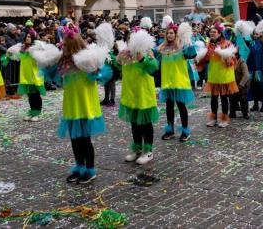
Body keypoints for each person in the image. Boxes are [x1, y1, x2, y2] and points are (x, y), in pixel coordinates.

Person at [42, 24, 111, 184]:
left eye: (65, 43)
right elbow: (52, 75)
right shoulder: (63, 62)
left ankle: (90, 169)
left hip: (86, 104)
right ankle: (79, 167)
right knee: (75, 139)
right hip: (71, 104)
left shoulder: (87, 59)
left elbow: (100, 76)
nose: (62, 46)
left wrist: (95, 71)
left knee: (85, 140)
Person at [117, 29, 159, 165]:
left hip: (144, 95)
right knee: (134, 123)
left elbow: (154, 68)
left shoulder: (147, 52)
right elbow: (117, 67)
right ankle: (137, 149)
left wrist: (144, 59)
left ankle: (148, 151)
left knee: (145, 124)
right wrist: (114, 58)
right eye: (129, 38)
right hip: (131, 94)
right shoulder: (125, 54)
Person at [158, 22, 197, 142]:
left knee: (181, 106)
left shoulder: (182, 47)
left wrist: (188, 42)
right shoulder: (162, 48)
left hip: (179, 82)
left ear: (176, 34)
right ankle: (170, 130)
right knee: (169, 107)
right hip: (167, 82)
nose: (169, 35)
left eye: (172, 33)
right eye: (167, 33)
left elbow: (192, 54)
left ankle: (185, 131)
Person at [196, 24, 238, 128]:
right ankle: (213, 119)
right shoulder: (209, 45)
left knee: (224, 98)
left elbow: (234, 59)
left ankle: (224, 119)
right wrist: (198, 59)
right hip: (214, 75)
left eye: (214, 32)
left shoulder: (227, 43)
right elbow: (205, 60)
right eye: (211, 32)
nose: (212, 34)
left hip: (224, 76)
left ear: (220, 33)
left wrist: (228, 59)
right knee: (213, 98)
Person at [7, 29, 46, 122]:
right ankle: (32, 111)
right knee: (30, 95)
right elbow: (13, 55)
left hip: (35, 74)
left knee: (35, 95)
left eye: (29, 36)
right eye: (26, 36)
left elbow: (41, 58)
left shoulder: (36, 47)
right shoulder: (22, 48)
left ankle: (37, 113)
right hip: (25, 75)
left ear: (33, 38)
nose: (27, 38)